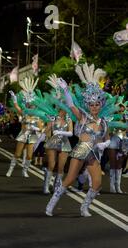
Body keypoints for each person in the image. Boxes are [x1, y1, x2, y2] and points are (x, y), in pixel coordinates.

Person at [46, 63, 116, 217]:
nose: (94, 107)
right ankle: (51, 204)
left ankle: (84, 207)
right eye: (91, 104)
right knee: (69, 179)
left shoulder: (104, 122)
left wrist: (104, 144)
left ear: (101, 104)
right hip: (80, 149)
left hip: (94, 154)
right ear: (87, 105)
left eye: (97, 104)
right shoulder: (83, 117)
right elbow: (71, 105)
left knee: (97, 183)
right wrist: (65, 90)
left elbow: (108, 139)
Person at [6, 77, 44, 178]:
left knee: (29, 156)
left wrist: (34, 128)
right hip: (23, 135)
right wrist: (14, 99)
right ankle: (10, 169)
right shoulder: (24, 114)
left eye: (32, 105)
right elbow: (17, 107)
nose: (31, 106)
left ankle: (25, 170)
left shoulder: (38, 116)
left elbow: (41, 128)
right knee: (17, 154)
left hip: (32, 136)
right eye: (29, 105)